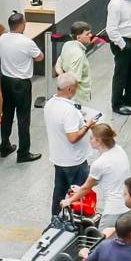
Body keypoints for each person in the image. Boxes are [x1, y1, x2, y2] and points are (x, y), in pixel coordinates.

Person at [44, 73, 95, 213]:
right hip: (74, 161)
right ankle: (78, 221)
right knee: (79, 195)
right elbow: (72, 138)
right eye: (75, 88)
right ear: (69, 89)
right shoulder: (69, 111)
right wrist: (87, 125)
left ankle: (55, 219)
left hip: (59, 158)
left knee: (59, 193)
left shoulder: (50, 104)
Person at [62, 123, 130, 229]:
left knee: (102, 237)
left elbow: (86, 188)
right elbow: (106, 176)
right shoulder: (119, 150)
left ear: (99, 141)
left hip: (113, 210)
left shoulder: (100, 163)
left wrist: (69, 201)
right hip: (127, 205)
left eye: (91, 138)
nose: (90, 141)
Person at [0, 12, 44, 163]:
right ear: (22, 25)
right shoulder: (27, 42)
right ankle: (23, 152)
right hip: (21, 83)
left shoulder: (3, 38)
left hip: (6, 80)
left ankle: (5, 145)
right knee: (23, 118)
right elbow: (40, 57)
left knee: (7, 114)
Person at [53, 21, 94, 103]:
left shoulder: (67, 44)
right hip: (79, 97)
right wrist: (66, 81)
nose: (91, 35)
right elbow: (74, 81)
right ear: (78, 38)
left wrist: (63, 78)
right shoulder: (78, 55)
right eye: (87, 34)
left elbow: (58, 65)